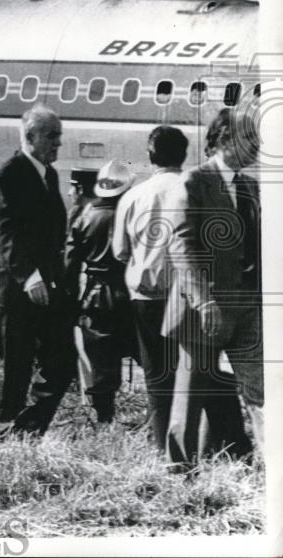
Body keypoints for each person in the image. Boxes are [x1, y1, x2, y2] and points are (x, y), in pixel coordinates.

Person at [164, 108, 263, 465]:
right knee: (190, 393)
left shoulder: (250, 187)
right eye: (249, 139)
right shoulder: (192, 183)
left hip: (245, 306)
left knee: (262, 389)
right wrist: (205, 303)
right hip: (203, 309)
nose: (257, 147)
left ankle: (271, 466)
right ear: (223, 140)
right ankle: (180, 470)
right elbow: (182, 248)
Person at [0, 105, 75, 438]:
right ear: (29, 136)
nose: (58, 144)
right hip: (13, 291)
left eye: (59, 136)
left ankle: (28, 427)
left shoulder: (49, 175)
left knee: (62, 360)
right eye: (52, 136)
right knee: (16, 370)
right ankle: (7, 432)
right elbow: (2, 235)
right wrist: (30, 276)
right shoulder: (6, 176)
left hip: (46, 288)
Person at [112, 126, 189, 450]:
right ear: (184, 155)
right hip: (187, 298)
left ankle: (163, 449)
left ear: (150, 154)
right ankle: (195, 444)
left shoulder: (133, 196)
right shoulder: (194, 190)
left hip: (146, 297)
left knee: (157, 378)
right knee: (192, 376)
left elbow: (120, 251)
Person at [65, 160, 135, 424]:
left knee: (101, 366)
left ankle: (104, 421)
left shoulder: (85, 216)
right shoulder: (132, 213)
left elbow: (69, 267)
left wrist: (71, 307)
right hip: (131, 294)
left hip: (96, 297)